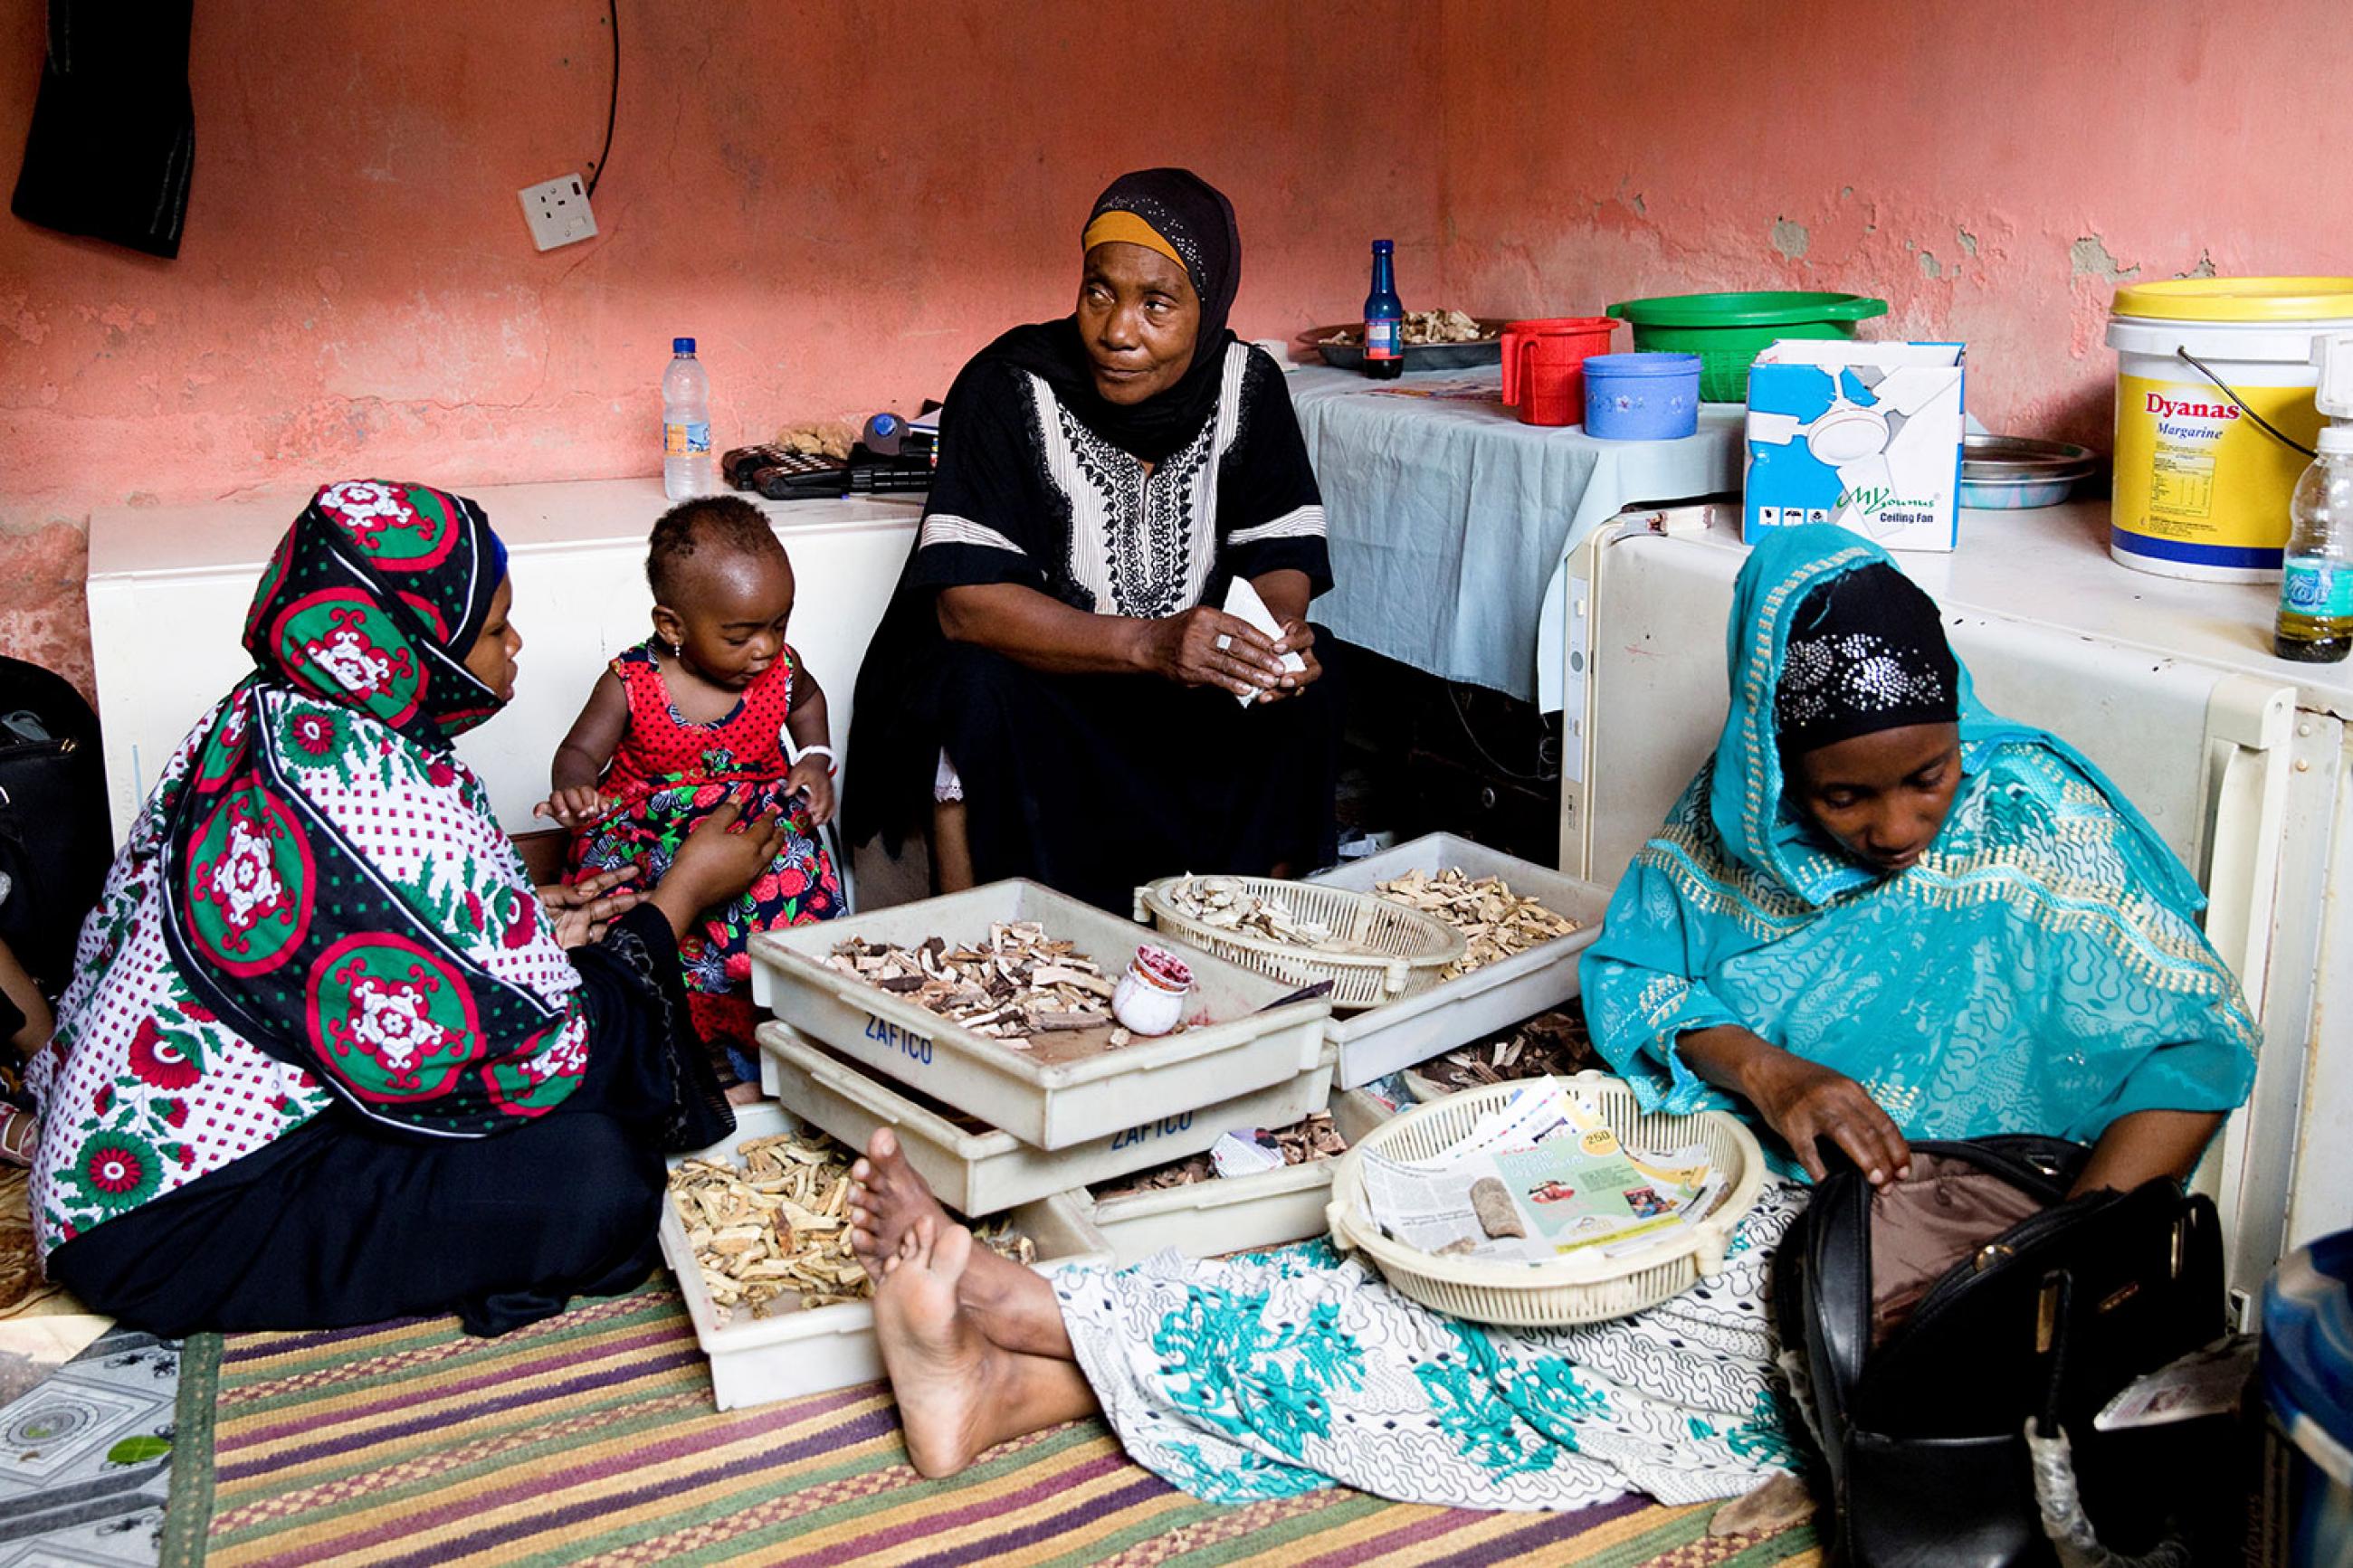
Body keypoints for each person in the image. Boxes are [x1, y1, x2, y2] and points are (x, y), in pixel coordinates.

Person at [838, 524, 2256, 1513]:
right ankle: (1020, 1383)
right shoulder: (1732, 827)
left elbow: (2193, 1045)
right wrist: (1770, 1071)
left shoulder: (2035, 820)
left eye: (1925, 778)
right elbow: (1641, 977)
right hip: (1755, 1188)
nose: (1895, 827)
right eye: (1845, 795)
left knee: (1542, 1374)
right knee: (1464, 1293)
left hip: (1965, 1260)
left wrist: (2036, 1262)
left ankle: (1041, 1315)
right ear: (1774, 755)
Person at [24, 480, 790, 1337]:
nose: (516, 643)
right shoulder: (368, 789)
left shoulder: (276, 710)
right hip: (175, 1218)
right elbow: (550, 1054)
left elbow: (351, 930)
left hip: (155, 1154)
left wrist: (525, 918)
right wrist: (682, 892)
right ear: (413, 642)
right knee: (599, 1178)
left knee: (580, 1085)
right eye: (496, 627)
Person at [847, 168, 1340, 912]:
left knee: (1312, 683)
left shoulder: (1250, 387)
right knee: (968, 685)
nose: (1116, 330)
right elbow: (967, 606)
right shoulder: (1006, 387)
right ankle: (990, 941)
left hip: (1189, 693)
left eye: (1157, 304)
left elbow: (1281, 557)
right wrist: (1148, 644)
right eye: (1099, 291)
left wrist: (1269, 640)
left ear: (1209, 309)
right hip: (1056, 686)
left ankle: (1247, 926)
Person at [539, 497, 844, 1097]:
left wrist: (815, 758)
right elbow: (578, 752)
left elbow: (808, 703)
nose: (764, 648)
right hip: (653, 841)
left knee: (788, 893)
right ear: (673, 626)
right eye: (740, 635)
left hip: (753, 832)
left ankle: (776, 1039)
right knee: (641, 933)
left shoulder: (781, 671)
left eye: (778, 624)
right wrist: (572, 787)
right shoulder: (631, 682)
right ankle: (694, 1053)